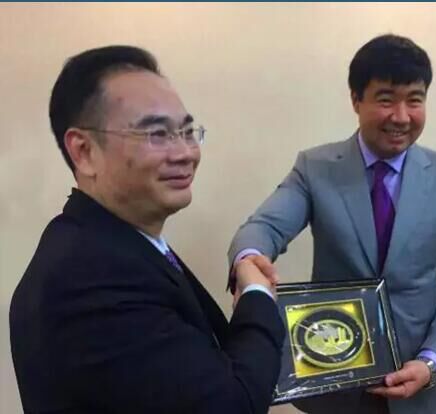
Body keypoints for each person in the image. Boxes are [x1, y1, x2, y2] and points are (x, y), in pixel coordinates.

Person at [10, 45, 284, 414]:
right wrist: (257, 294)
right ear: (84, 151)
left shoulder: (120, 242)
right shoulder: (88, 279)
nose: (185, 153)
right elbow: (233, 404)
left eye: (187, 131)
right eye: (157, 134)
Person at [228, 34, 436, 414]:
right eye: (386, 99)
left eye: (414, 100)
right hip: (334, 383)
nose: (401, 116)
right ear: (355, 99)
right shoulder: (315, 168)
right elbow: (264, 227)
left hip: (422, 387)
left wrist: (433, 362)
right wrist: (249, 261)